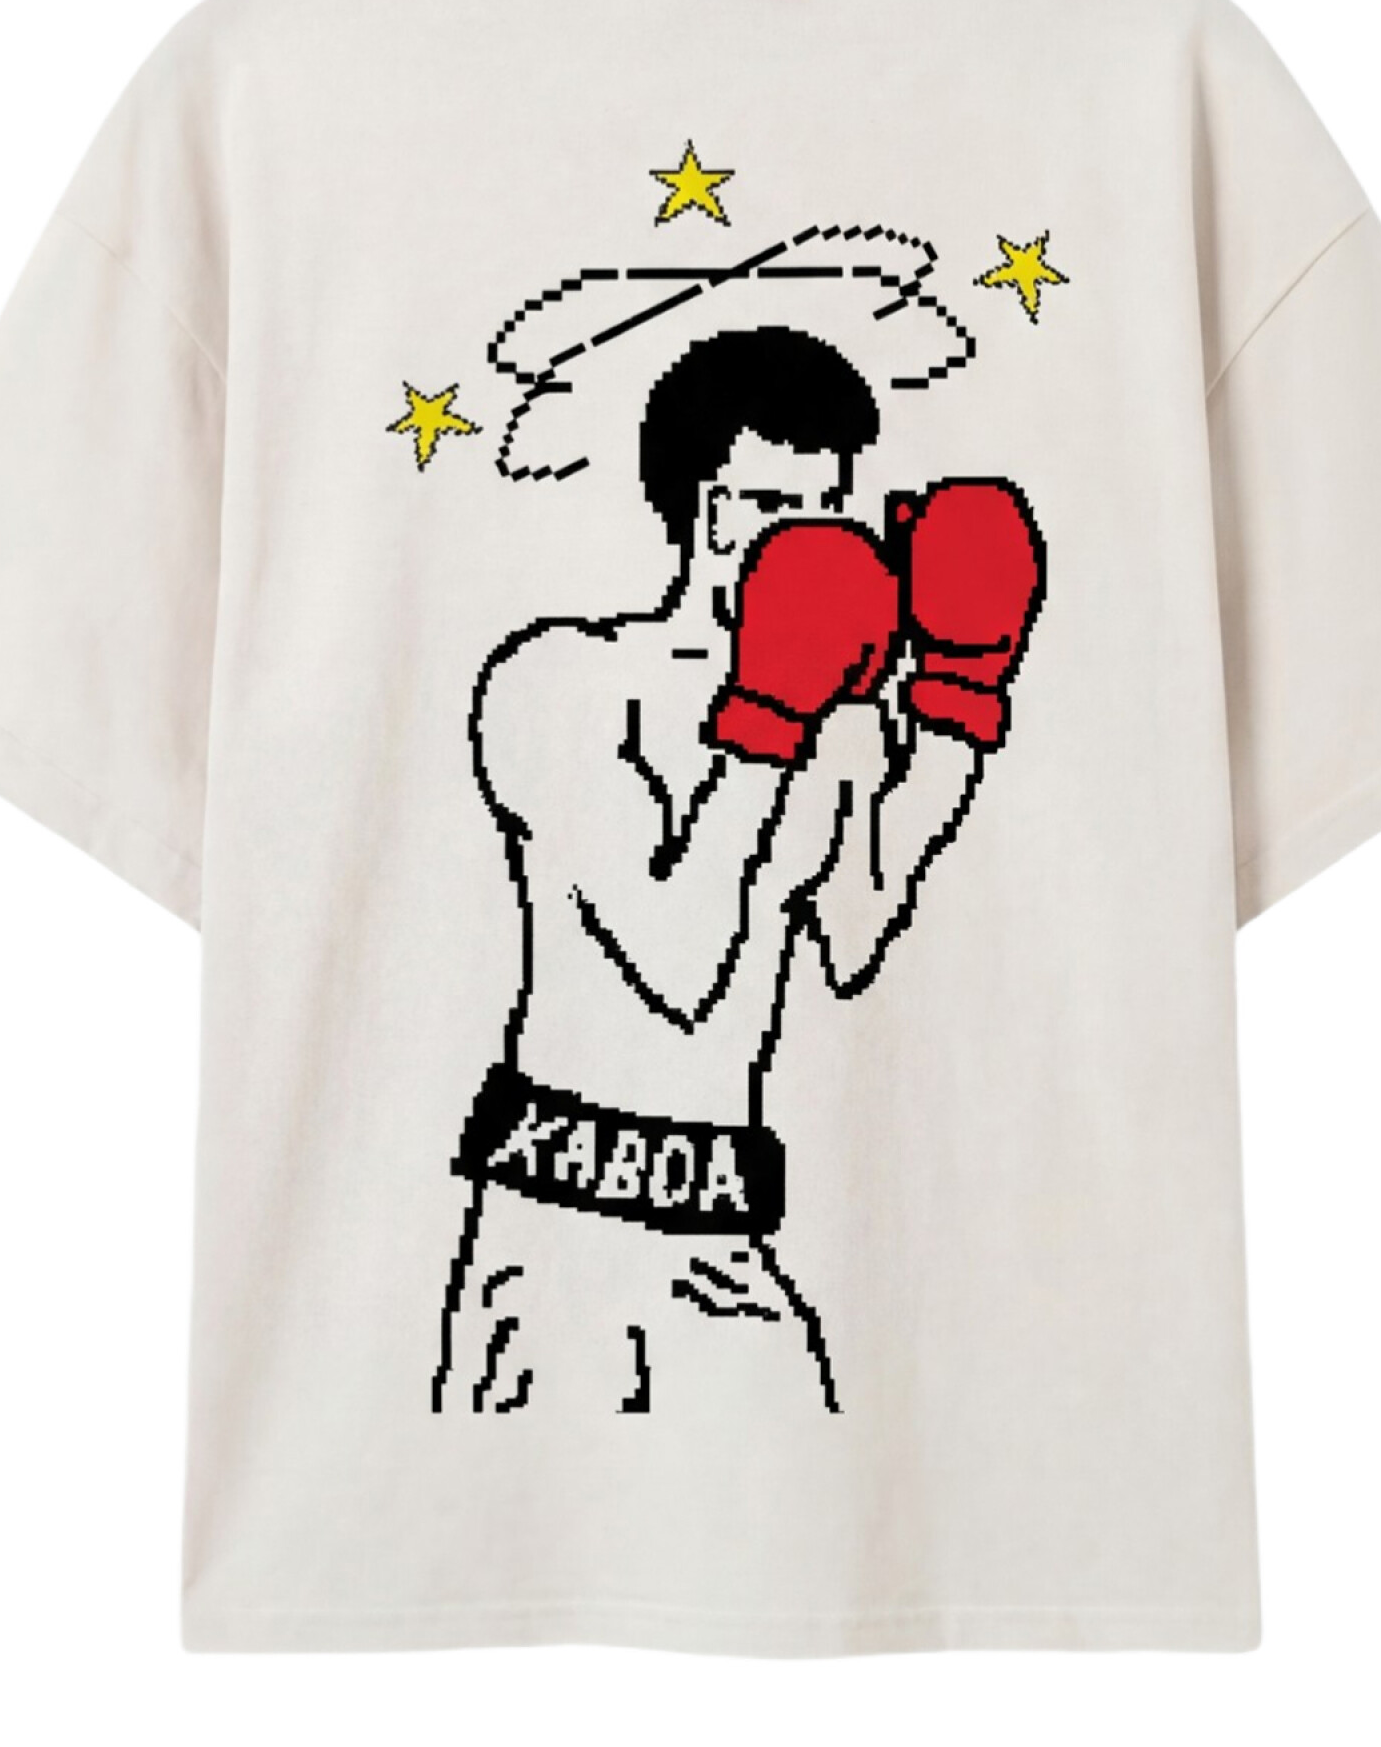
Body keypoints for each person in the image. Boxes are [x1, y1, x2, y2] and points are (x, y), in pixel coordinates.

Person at [433, 324, 1042, 1412]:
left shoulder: (836, 706)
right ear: (702, 508)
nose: (797, 539)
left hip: (723, 1225)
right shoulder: (562, 678)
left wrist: (956, 700)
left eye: (823, 509)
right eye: (767, 506)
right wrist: (764, 723)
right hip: (562, 1224)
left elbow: (855, 930)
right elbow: (678, 963)